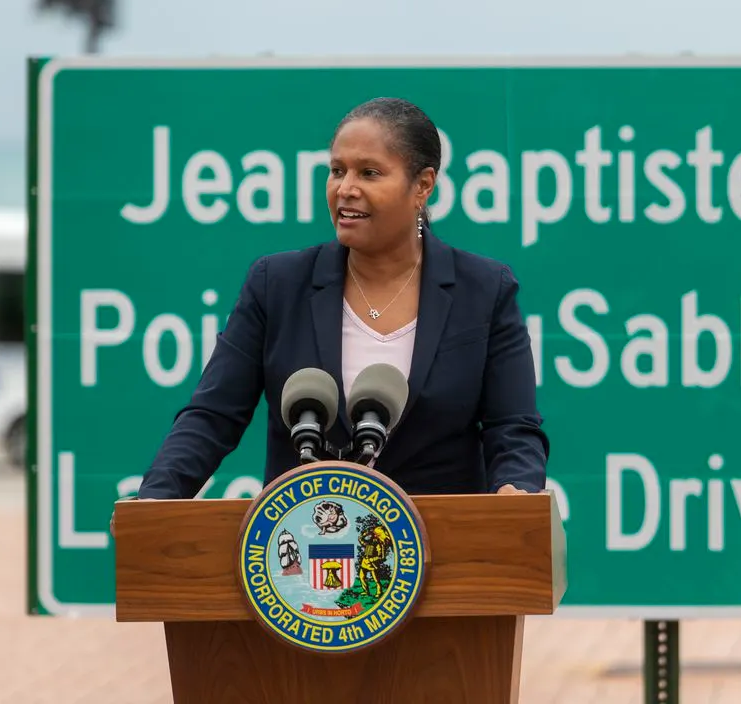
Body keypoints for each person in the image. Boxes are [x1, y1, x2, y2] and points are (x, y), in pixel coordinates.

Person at [115, 97, 548, 528]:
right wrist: (158, 498)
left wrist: (516, 489)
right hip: (300, 562)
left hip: (445, 554)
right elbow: (213, 417)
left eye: (369, 173)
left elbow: (513, 427)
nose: (345, 188)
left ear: (423, 185)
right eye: (337, 170)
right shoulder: (277, 284)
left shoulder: (485, 290)